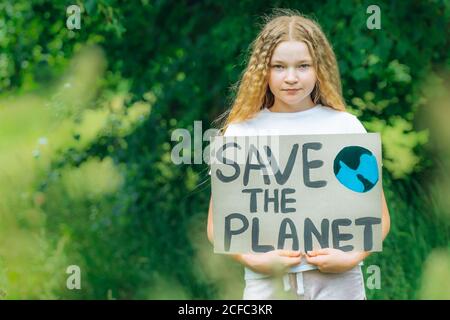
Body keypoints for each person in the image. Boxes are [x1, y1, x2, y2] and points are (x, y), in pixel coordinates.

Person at [207, 9, 390, 300]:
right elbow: (218, 226)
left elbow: (377, 216)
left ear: (319, 68)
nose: (291, 78)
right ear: (262, 70)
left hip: (338, 284)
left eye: (303, 66)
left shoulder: (345, 127)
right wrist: (256, 260)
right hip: (266, 284)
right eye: (279, 66)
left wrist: (352, 257)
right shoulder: (241, 133)